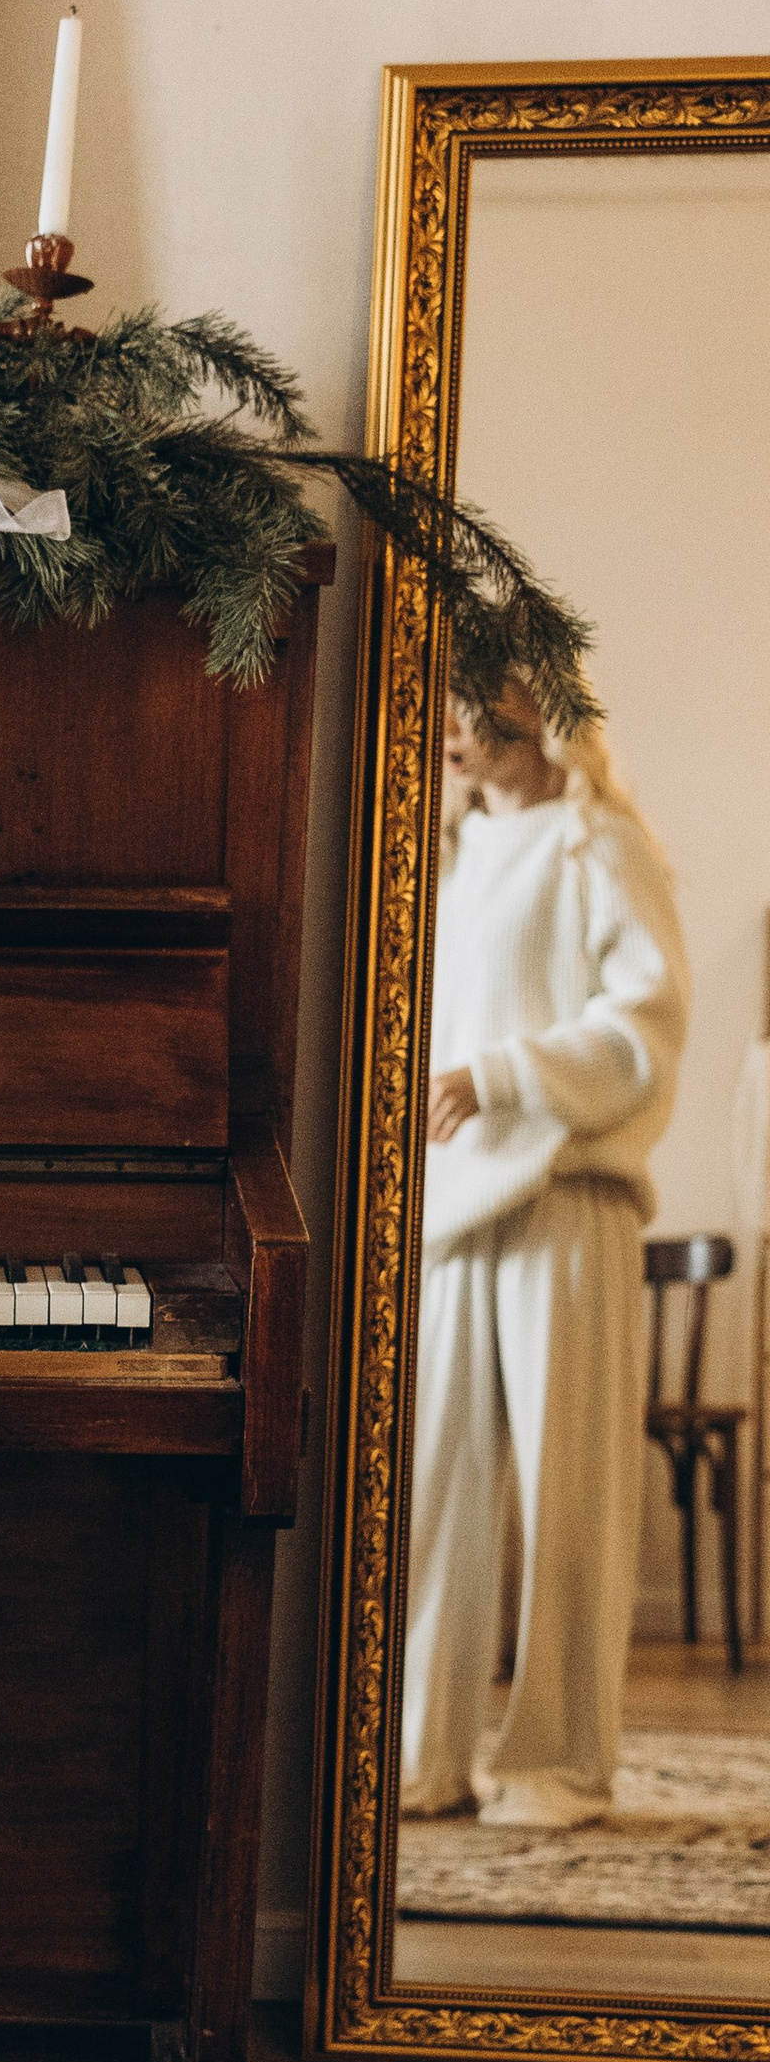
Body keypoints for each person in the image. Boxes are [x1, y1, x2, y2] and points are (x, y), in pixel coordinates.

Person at [402, 680, 688, 1826]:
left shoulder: (599, 844)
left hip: (568, 1195)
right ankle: (421, 1752)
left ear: (536, 703)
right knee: (427, 1490)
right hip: (450, 1207)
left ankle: (556, 1762)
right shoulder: (456, 858)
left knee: (571, 1491)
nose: (456, 720)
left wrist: (503, 1076)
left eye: (479, 695)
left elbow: (646, 1029)